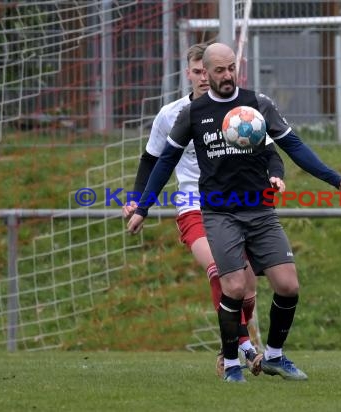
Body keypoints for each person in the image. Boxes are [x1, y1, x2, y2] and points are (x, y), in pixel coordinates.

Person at [127, 42, 341, 382]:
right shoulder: (189, 114)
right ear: (203, 74)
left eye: (230, 69)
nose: (226, 76)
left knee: (286, 285)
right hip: (217, 212)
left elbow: (291, 147)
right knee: (232, 285)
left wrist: (336, 180)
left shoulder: (256, 106)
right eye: (218, 70)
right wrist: (143, 206)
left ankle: (273, 356)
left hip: (260, 211)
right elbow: (161, 161)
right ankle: (234, 360)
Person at [122, 43, 287, 377]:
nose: (202, 78)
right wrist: (140, 201)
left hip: (238, 206)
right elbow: (152, 159)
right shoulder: (173, 115)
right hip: (192, 205)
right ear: (190, 73)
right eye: (196, 72)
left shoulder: (239, 112)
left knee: (246, 287)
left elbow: (269, 150)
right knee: (217, 270)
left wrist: (272, 175)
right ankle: (244, 349)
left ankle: (231, 344)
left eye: (206, 71)